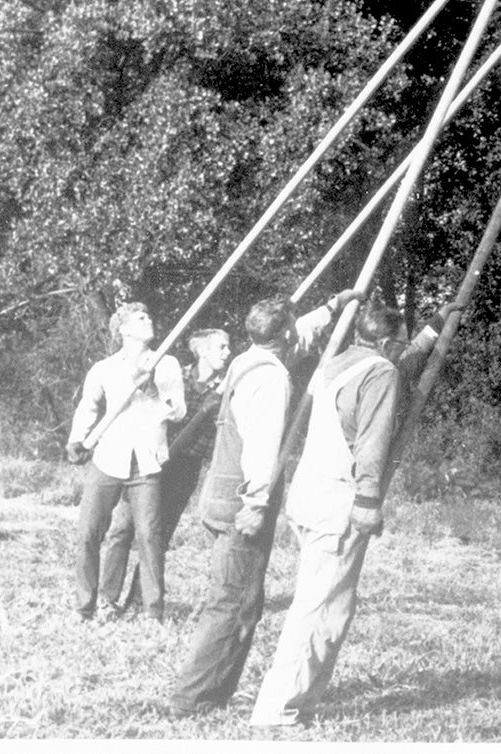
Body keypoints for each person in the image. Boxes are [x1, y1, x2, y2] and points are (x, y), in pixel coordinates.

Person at [248, 300, 442, 731]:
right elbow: (371, 440)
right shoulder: (380, 372)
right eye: (401, 342)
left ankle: (297, 702)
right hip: (340, 502)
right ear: (389, 341)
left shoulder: (338, 362)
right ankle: (276, 710)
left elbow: (395, 369)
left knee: (327, 606)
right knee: (320, 610)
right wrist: (369, 503)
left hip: (308, 495)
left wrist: (433, 330)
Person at [169, 289, 360, 719]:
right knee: (234, 603)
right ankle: (194, 698)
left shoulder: (246, 359)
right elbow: (263, 445)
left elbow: (297, 335)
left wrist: (333, 307)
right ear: (284, 333)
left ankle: (210, 692)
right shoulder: (272, 378)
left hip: (218, 493)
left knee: (237, 600)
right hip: (243, 499)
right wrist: (256, 502)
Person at [66, 302, 186, 622]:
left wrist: (153, 393)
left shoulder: (168, 364)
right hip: (108, 459)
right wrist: (76, 438)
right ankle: (84, 606)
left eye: (149, 314)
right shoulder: (104, 368)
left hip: (147, 463)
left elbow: (179, 412)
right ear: (124, 330)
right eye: (141, 317)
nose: (150, 320)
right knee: (89, 532)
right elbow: (88, 408)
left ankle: (153, 612)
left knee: (149, 536)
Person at [101, 325, 232, 613]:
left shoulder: (226, 389)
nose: (228, 352)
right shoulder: (175, 374)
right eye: (221, 347)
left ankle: (139, 601)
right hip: (151, 458)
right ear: (202, 351)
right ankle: (107, 600)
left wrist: (216, 410)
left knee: (157, 535)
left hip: (185, 467)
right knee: (122, 528)